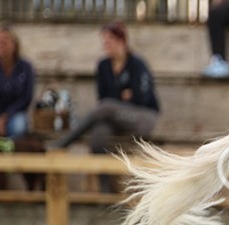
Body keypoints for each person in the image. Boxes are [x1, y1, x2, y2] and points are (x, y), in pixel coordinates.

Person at [53, 21, 159, 157]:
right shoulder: (103, 66)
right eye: (104, 41)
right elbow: (102, 97)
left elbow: (142, 98)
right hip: (114, 117)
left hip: (142, 118)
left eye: (109, 40)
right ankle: (103, 179)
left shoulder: (137, 64)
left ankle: (65, 142)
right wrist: (123, 95)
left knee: (106, 108)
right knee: (98, 134)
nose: (105, 44)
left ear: (121, 40)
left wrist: (117, 101)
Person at [0, 23, 34, 141]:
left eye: (5, 42)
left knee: (18, 127)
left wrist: (5, 117)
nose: (2, 46)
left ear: (14, 44)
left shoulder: (26, 67)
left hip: (15, 114)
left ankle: (11, 150)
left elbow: (26, 97)